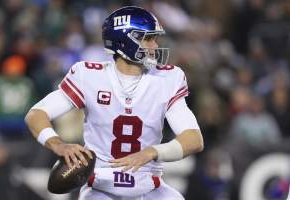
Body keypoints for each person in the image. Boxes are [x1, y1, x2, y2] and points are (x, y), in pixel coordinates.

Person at [25, 6, 204, 200]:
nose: (155, 46)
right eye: (148, 39)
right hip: (101, 189)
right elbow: (36, 114)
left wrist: (151, 152)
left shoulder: (167, 78)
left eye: (155, 38)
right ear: (125, 40)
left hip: (150, 188)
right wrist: (58, 144)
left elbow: (194, 139)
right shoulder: (89, 76)